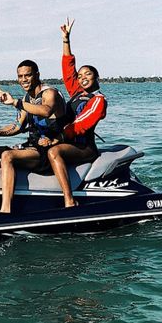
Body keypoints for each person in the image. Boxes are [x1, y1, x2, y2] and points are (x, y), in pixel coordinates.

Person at [0, 60, 66, 213]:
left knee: (7, 155)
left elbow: (46, 111)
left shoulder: (50, 93)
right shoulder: (26, 100)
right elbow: (17, 127)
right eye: (20, 76)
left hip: (49, 147)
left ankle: (5, 210)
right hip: (32, 146)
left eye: (27, 75)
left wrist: (15, 103)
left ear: (37, 75)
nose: (23, 79)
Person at [46, 17, 107, 207]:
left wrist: (59, 137)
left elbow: (83, 124)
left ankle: (69, 200)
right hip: (67, 141)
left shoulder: (99, 100)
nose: (82, 78)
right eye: (80, 76)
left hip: (84, 148)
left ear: (97, 77)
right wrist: (66, 39)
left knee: (54, 152)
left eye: (87, 74)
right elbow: (68, 69)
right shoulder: (76, 93)